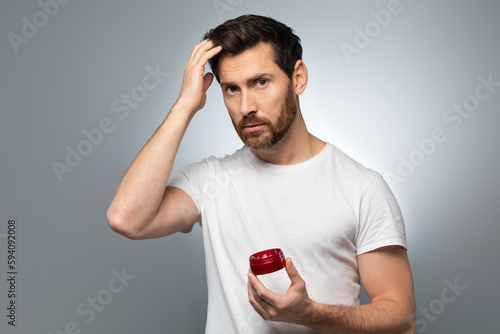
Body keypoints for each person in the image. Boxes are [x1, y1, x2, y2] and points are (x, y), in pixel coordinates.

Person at [107, 14, 416, 333]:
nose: (245, 107)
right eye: (231, 89)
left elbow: (401, 318)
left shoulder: (362, 188)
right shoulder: (210, 180)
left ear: (297, 78)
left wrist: (311, 313)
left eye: (260, 82)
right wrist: (184, 106)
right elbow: (126, 219)